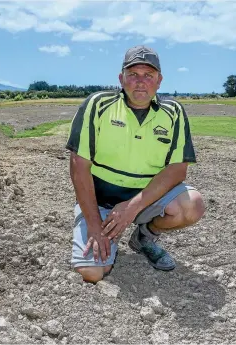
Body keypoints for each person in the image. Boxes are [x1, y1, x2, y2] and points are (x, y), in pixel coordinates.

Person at [66, 45, 205, 283]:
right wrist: (96, 227)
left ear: (159, 81)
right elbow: (79, 165)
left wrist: (130, 208)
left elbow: (177, 169)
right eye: (133, 74)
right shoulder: (97, 105)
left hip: (144, 202)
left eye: (148, 75)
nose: (141, 82)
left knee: (192, 206)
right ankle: (109, 235)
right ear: (121, 78)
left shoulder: (174, 112)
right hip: (100, 203)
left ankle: (144, 237)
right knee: (92, 274)